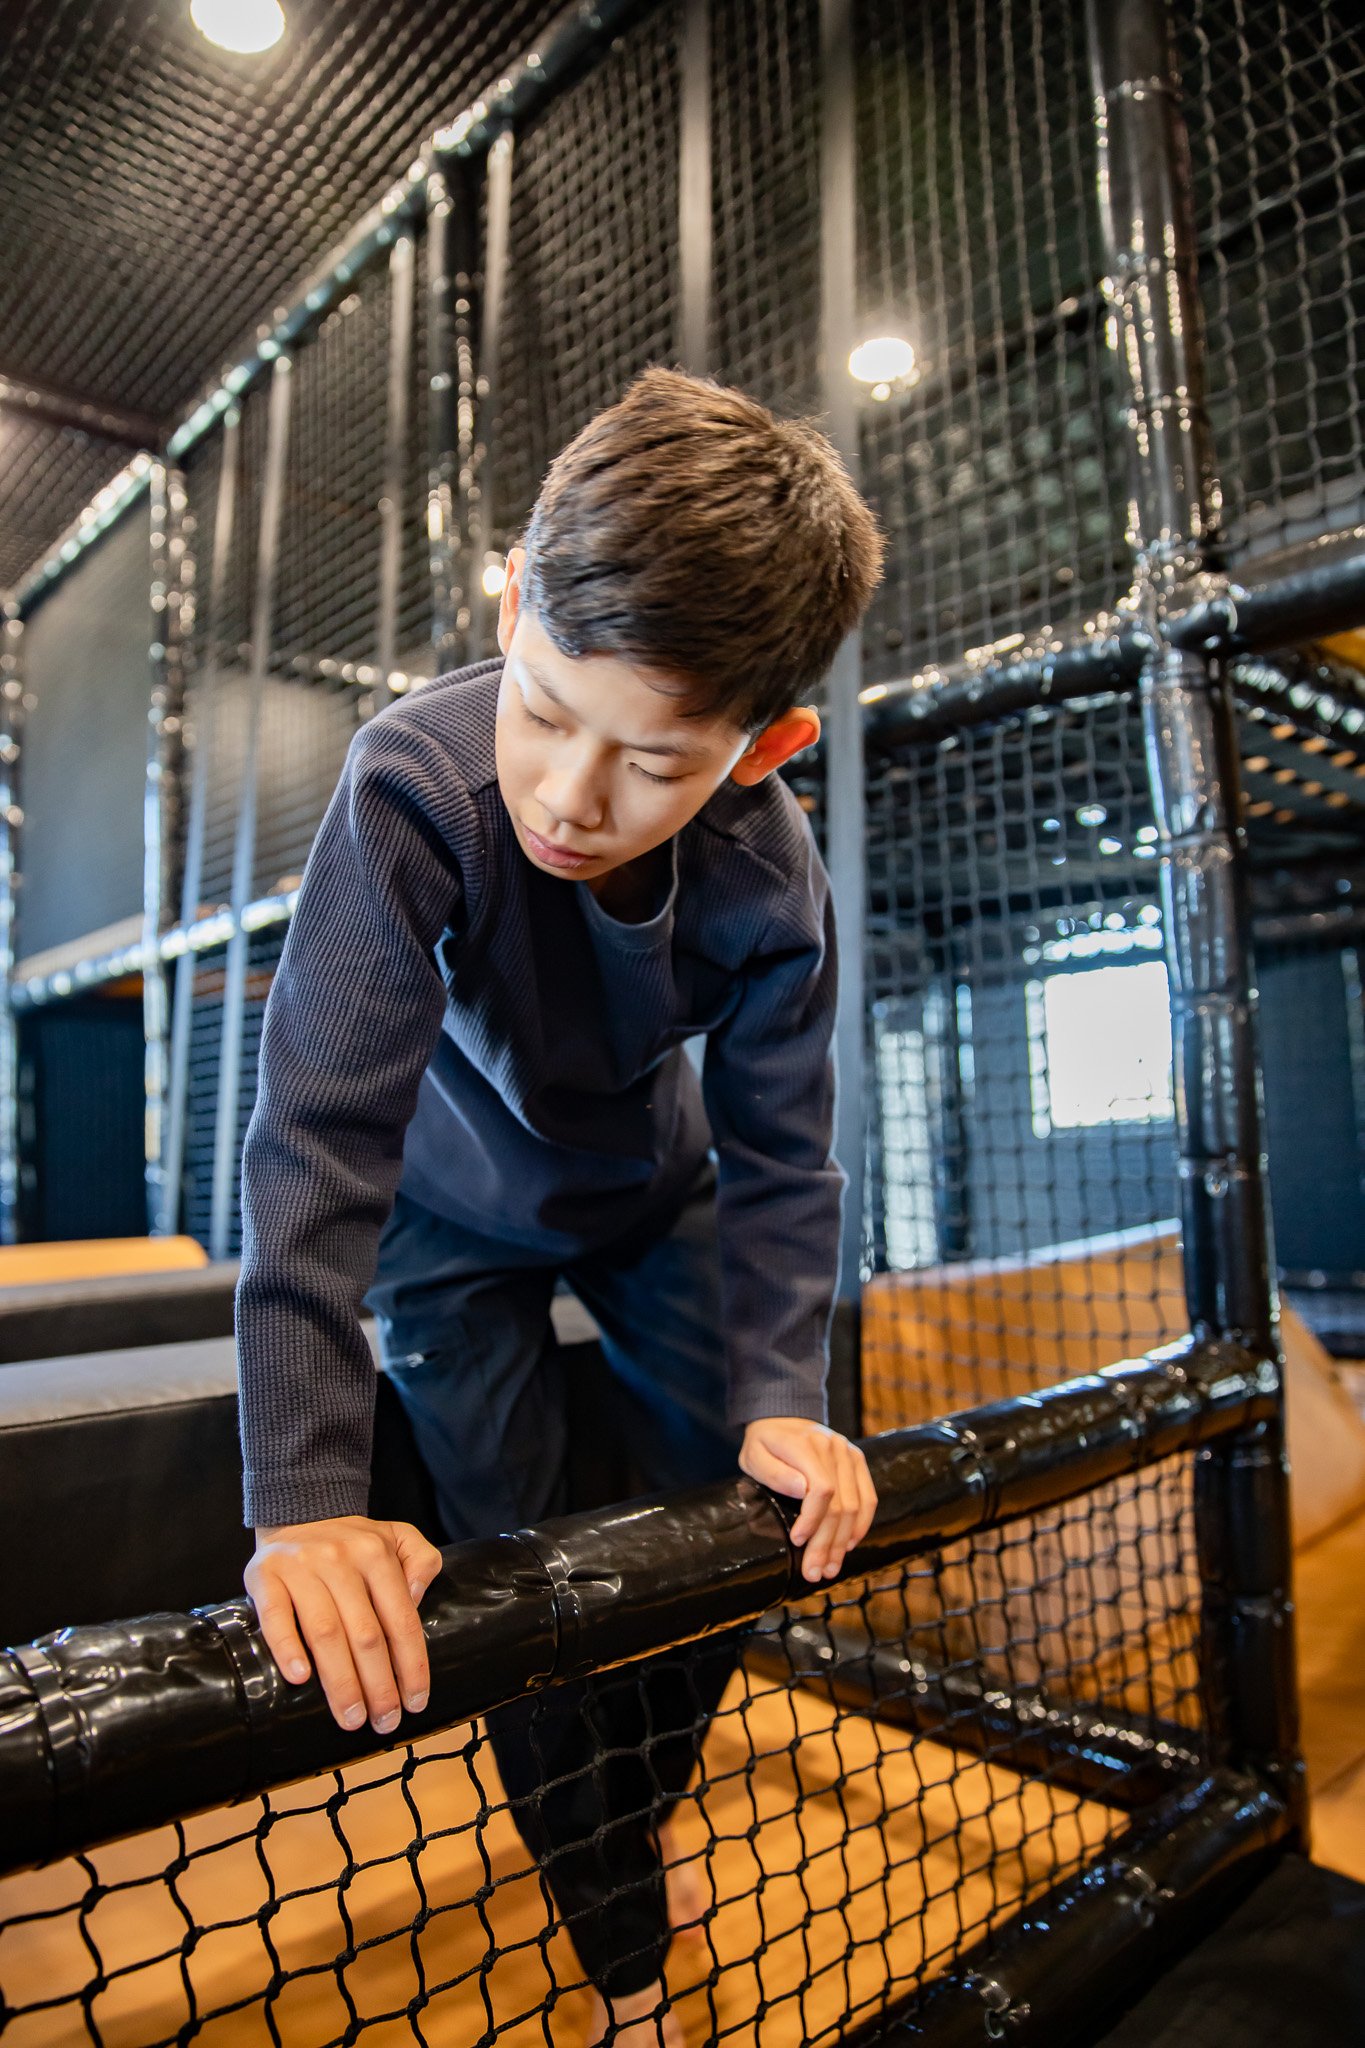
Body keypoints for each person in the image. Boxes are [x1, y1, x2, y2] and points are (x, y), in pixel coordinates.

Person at [237, 366, 884, 2045]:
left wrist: (786, 1402)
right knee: (507, 1569)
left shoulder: (766, 880)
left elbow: (786, 1155)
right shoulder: (410, 786)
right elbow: (315, 1136)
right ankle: (621, 1945)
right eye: (540, 710)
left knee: (757, 1521)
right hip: (445, 1227)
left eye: (653, 761)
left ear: (765, 747)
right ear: (510, 602)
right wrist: (303, 1497)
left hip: (648, 1199)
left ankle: (628, 1820)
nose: (569, 797)